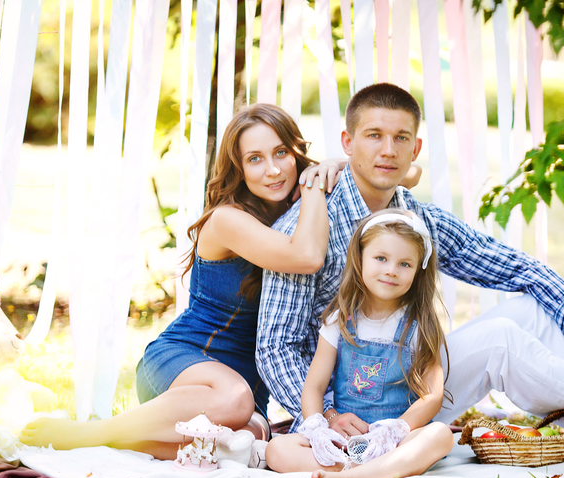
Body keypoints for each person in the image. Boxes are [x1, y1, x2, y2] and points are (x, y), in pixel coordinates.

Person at [256, 83, 564, 457]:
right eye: (374, 135)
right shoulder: (305, 227)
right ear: (347, 142)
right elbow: (275, 346)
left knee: (533, 312)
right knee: (501, 339)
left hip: (416, 389)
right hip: (349, 403)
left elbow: (514, 266)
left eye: (400, 138)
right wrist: (329, 414)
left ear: (416, 148)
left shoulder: (419, 219)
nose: (388, 150)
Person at [20, 103, 342, 458]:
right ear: (238, 169)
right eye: (255, 159)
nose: (273, 169)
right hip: (186, 362)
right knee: (234, 400)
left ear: (296, 152)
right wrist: (315, 183)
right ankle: (91, 432)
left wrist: (337, 165)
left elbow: (383, 177)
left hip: (247, 391)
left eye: (281, 152)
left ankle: (121, 441)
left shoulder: (298, 212)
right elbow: (307, 257)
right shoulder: (226, 220)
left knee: (249, 437)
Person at [265, 210, 454, 478]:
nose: (391, 270)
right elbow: (314, 386)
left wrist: (396, 430)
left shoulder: (419, 325)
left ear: (418, 271)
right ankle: (367, 472)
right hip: (345, 440)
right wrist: (317, 427)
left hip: (394, 442)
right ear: (360, 258)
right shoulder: (339, 320)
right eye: (381, 258)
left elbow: (432, 396)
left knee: (440, 436)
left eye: (405, 264)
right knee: (277, 449)